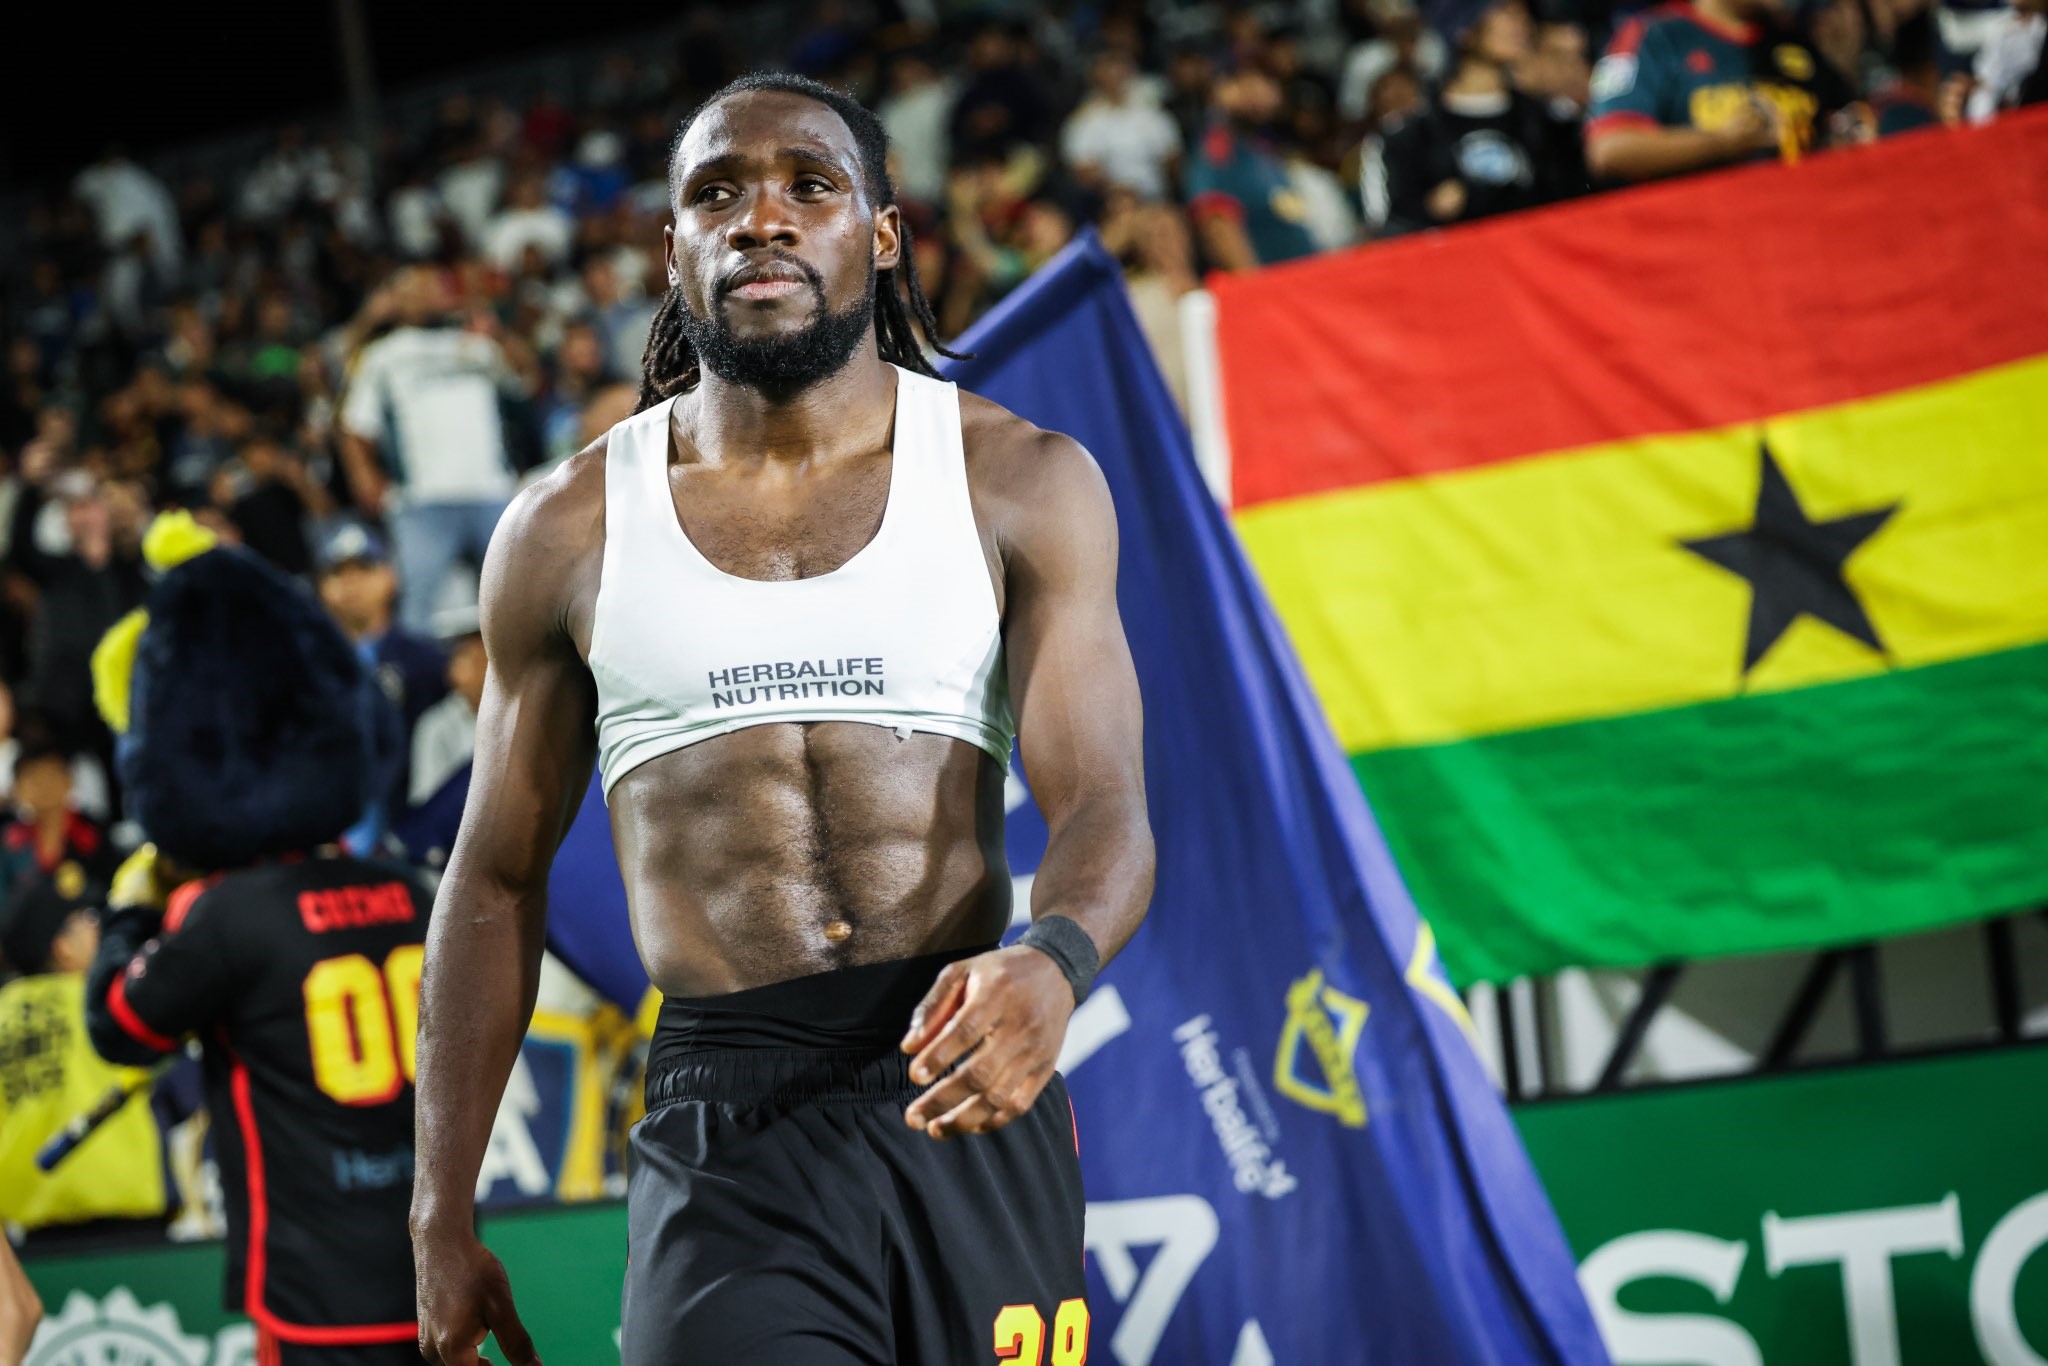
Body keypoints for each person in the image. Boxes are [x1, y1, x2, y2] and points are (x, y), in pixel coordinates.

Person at [410, 72, 1154, 1366]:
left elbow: (1107, 806)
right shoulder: (568, 528)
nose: (760, 218)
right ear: (672, 249)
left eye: (808, 184)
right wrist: (440, 1205)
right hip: (729, 1123)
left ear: (879, 233)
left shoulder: (1020, 479)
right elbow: (493, 875)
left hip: (963, 1085)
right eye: (716, 193)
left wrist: (1058, 959)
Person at [84, 515, 434, 1365]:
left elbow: (119, 1027)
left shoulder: (230, 914)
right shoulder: (413, 890)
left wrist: (132, 907)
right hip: (438, 1265)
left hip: (313, 1290)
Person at [338, 267, 526, 630]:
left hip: (491, 491)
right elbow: (354, 424)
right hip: (422, 501)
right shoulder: (383, 354)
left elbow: (523, 379)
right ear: (396, 300)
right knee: (417, 612)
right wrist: (364, 477)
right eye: (413, 289)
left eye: (432, 286)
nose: (426, 294)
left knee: (516, 604)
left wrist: (496, 332)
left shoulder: (477, 343)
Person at [0, 870, 169, 1244]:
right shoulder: (103, 1002)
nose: (100, 930)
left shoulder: (2, 1012)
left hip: (28, 1225)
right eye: (88, 921)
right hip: (120, 1209)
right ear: (61, 947)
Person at [1366, 0, 1588, 234]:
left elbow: (1581, 209)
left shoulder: (1553, 122)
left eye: (1521, 10)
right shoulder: (1408, 137)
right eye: (1503, 10)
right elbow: (1390, 233)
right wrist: (1430, 214)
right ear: (1464, 30)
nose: (1521, 21)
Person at [1584, 0, 1855, 181]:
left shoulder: (1795, 41)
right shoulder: (1653, 36)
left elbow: (1844, 123)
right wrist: (1722, 142)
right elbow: (1610, 149)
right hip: (1702, 240)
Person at [316, 520, 448, 833]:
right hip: (334, 829)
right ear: (320, 586)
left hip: (413, 823)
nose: (351, 584)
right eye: (337, 573)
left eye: (364, 569)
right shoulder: (309, 665)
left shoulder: (428, 662)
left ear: (391, 575)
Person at [1186, 66, 1322, 269]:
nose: (1258, 96)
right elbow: (1216, 220)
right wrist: (1255, 287)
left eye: (1263, 86)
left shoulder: (1260, 147)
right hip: (1273, 287)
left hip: (1306, 273)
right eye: (1247, 86)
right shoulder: (1218, 146)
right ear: (1221, 91)